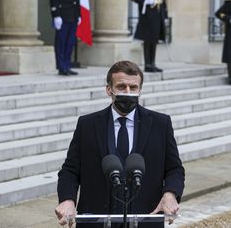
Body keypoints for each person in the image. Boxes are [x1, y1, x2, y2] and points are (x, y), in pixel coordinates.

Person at [54, 60, 185, 228]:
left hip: (145, 219)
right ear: (109, 89)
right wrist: (67, 199)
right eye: (121, 87)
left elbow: (174, 168)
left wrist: (170, 194)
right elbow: (70, 170)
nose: (128, 92)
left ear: (140, 90)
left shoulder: (161, 124)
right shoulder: (87, 124)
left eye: (133, 88)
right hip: (96, 220)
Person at [130, 0, 168, 73]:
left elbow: (162, 0)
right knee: (148, 40)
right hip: (148, 17)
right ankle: (147, 64)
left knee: (155, 40)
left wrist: (165, 16)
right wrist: (146, 1)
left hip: (157, 17)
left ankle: (152, 63)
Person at [49, 0, 80, 76]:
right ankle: (61, 67)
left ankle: (67, 65)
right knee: (61, 43)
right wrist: (56, 15)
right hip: (62, 15)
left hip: (73, 15)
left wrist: (78, 14)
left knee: (70, 42)